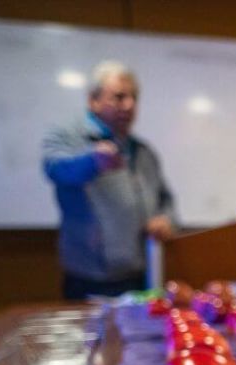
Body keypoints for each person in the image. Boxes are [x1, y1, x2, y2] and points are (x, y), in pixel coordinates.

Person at [42, 60, 177, 300]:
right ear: (93, 101)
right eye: (119, 97)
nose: (130, 105)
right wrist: (92, 162)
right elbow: (55, 168)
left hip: (141, 279)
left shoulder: (143, 152)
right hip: (89, 284)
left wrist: (165, 219)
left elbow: (165, 199)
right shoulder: (68, 138)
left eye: (134, 97)